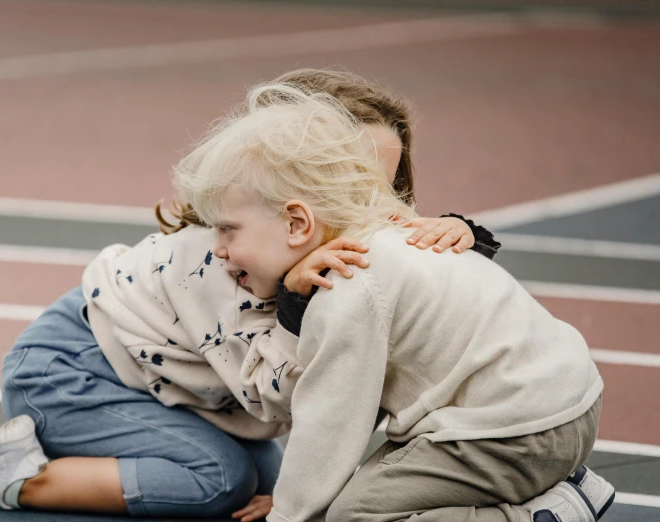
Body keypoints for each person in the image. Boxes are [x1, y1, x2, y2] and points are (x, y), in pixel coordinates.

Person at [0, 71, 499, 520]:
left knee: (274, 485)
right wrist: (295, 306)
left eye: (386, 186)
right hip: (70, 372)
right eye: (349, 178)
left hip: (175, 388)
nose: (371, 204)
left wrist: (460, 235)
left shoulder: (313, 239)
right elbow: (281, 399)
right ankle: (14, 475)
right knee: (219, 481)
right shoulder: (227, 258)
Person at [174, 83, 614, 522]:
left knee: (354, 516)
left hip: (517, 434)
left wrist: (289, 516)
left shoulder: (348, 285)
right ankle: (562, 490)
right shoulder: (395, 237)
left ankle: (544, 515)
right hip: (566, 406)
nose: (218, 249)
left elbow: (330, 427)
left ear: (296, 223)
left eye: (229, 230)